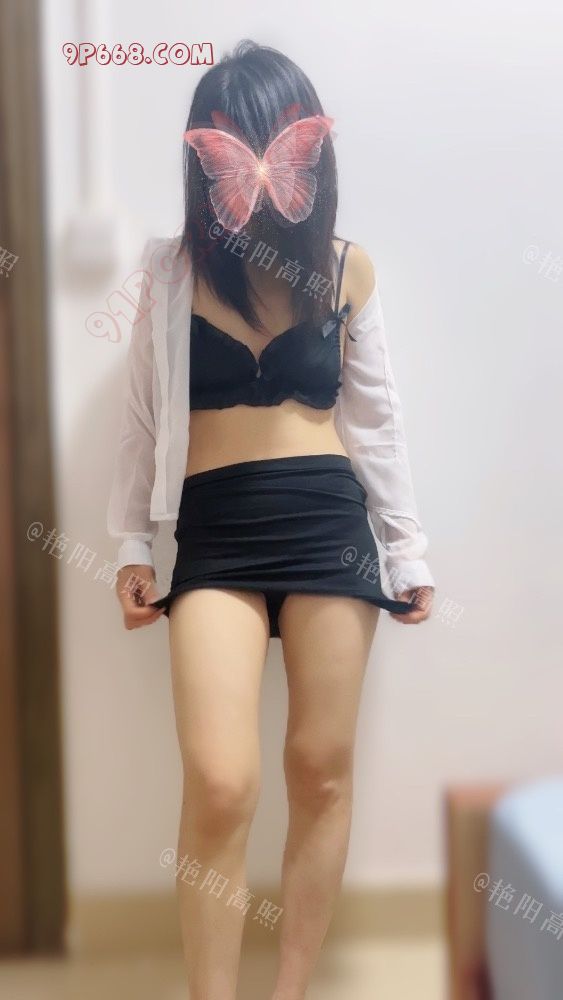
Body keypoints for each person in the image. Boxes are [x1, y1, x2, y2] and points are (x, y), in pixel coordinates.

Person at [107, 39, 435, 1000]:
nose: (252, 162)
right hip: (215, 533)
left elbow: (376, 424)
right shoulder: (168, 271)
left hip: (329, 524)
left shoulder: (345, 268)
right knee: (220, 782)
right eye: (231, 140)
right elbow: (141, 420)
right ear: (202, 153)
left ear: (307, 150)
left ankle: (289, 991)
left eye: (272, 138)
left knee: (320, 770)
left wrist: (407, 549)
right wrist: (130, 544)